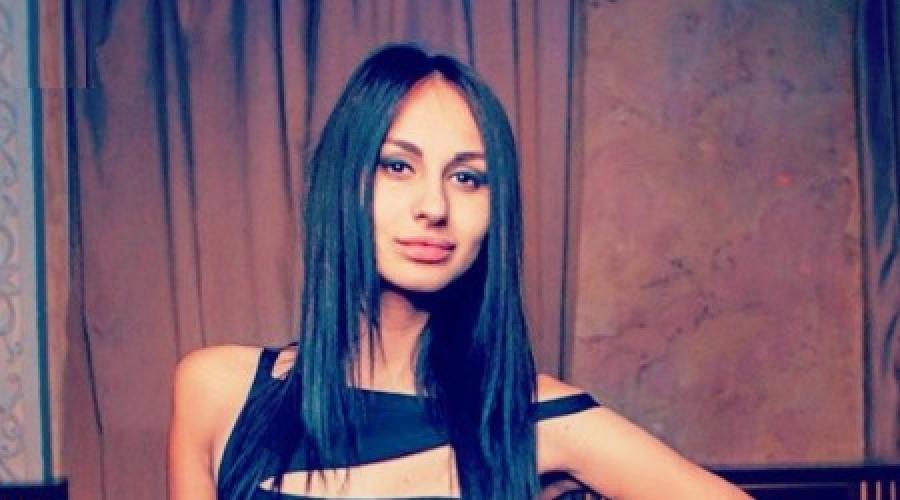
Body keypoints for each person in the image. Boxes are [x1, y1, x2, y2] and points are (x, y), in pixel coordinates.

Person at [168, 43, 751, 500]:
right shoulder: (218, 389)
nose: (434, 206)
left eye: (467, 177)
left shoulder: (535, 419)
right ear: (342, 185)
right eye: (398, 166)